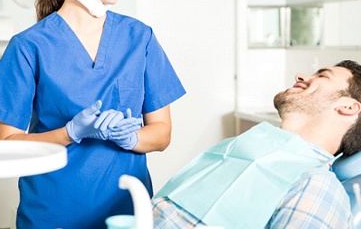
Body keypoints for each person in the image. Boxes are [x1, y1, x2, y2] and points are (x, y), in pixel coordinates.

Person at [0, 0, 186, 229]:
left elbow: (162, 134)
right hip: (51, 214)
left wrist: (130, 138)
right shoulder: (29, 46)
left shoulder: (140, 38)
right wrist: (69, 133)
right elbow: (5, 143)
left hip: (125, 213)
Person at [152, 60, 361, 229]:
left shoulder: (317, 187)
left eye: (322, 76)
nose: (301, 76)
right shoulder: (238, 151)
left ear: (348, 106)